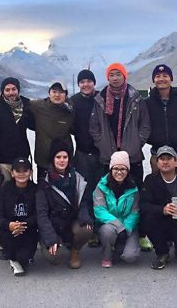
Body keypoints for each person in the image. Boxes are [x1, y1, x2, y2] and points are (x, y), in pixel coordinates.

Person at [89, 62, 151, 251]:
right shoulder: (100, 99)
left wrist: (135, 145)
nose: (115, 78)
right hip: (108, 158)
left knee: (136, 195)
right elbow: (94, 127)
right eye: (111, 75)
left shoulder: (136, 98)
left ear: (125, 76)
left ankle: (141, 234)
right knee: (106, 195)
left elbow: (145, 125)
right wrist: (102, 145)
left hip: (131, 158)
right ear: (107, 78)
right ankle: (103, 233)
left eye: (118, 74)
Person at [0, 77, 34, 259]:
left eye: (14, 89)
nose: (11, 92)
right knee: (3, 203)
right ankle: (2, 242)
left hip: (22, 162)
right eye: (7, 89)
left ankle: (24, 238)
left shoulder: (25, 108)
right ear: (2, 91)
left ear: (18, 90)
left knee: (24, 201)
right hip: (3, 163)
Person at [36, 140, 93, 269]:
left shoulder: (77, 178)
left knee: (86, 229)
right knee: (56, 258)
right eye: (58, 157)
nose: (62, 160)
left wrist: (85, 217)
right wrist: (50, 237)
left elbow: (83, 202)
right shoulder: (44, 183)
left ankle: (75, 251)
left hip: (70, 222)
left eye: (65, 157)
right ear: (52, 159)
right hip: (53, 226)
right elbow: (42, 214)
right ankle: (50, 244)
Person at [93, 151, 140, 268]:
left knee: (130, 257)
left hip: (128, 225)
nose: (119, 172)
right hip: (109, 224)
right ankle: (107, 255)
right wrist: (120, 227)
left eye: (123, 169)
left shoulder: (133, 188)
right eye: (116, 169)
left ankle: (120, 249)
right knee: (107, 231)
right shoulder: (101, 187)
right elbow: (100, 211)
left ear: (128, 170)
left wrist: (127, 228)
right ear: (111, 169)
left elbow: (135, 211)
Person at [70, 69, 100, 247]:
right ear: (79, 84)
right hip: (81, 154)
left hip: (100, 154)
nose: (86, 84)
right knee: (84, 193)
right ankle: (90, 231)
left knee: (100, 191)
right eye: (82, 81)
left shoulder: (101, 99)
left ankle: (100, 229)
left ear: (94, 83)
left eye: (89, 81)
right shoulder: (73, 101)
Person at [0, 157, 38, 277]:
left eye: (25, 171)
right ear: (12, 173)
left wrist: (24, 225)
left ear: (31, 172)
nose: (21, 174)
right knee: (9, 243)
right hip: (9, 231)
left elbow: (38, 214)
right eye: (18, 171)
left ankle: (23, 257)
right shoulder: (5, 189)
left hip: (28, 229)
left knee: (25, 259)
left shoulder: (35, 189)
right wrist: (9, 225)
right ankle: (13, 259)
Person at [29, 81, 74, 182]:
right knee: (42, 192)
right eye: (54, 91)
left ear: (66, 95)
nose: (57, 95)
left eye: (61, 92)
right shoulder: (38, 106)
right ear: (49, 93)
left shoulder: (71, 110)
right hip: (43, 161)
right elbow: (21, 104)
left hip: (63, 162)